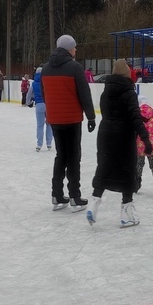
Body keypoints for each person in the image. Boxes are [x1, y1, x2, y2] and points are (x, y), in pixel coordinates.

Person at [87, 59, 153, 228]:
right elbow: (134, 117)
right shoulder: (129, 92)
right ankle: (126, 214)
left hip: (105, 133)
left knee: (104, 167)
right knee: (127, 172)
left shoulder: (105, 91)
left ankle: (94, 204)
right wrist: (145, 138)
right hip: (123, 136)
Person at [41, 34, 96, 212]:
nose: (76, 50)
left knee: (60, 156)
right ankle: (74, 196)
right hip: (72, 119)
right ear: (68, 49)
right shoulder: (75, 67)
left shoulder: (46, 69)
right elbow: (84, 94)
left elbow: (44, 93)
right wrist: (91, 116)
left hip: (55, 119)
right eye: (74, 47)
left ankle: (56, 195)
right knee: (73, 157)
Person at [31, 66, 52, 152]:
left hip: (39, 105)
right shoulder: (47, 82)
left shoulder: (34, 83)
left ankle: (39, 144)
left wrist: (29, 102)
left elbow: (29, 94)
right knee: (49, 124)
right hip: (48, 105)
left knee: (40, 126)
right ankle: (49, 143)